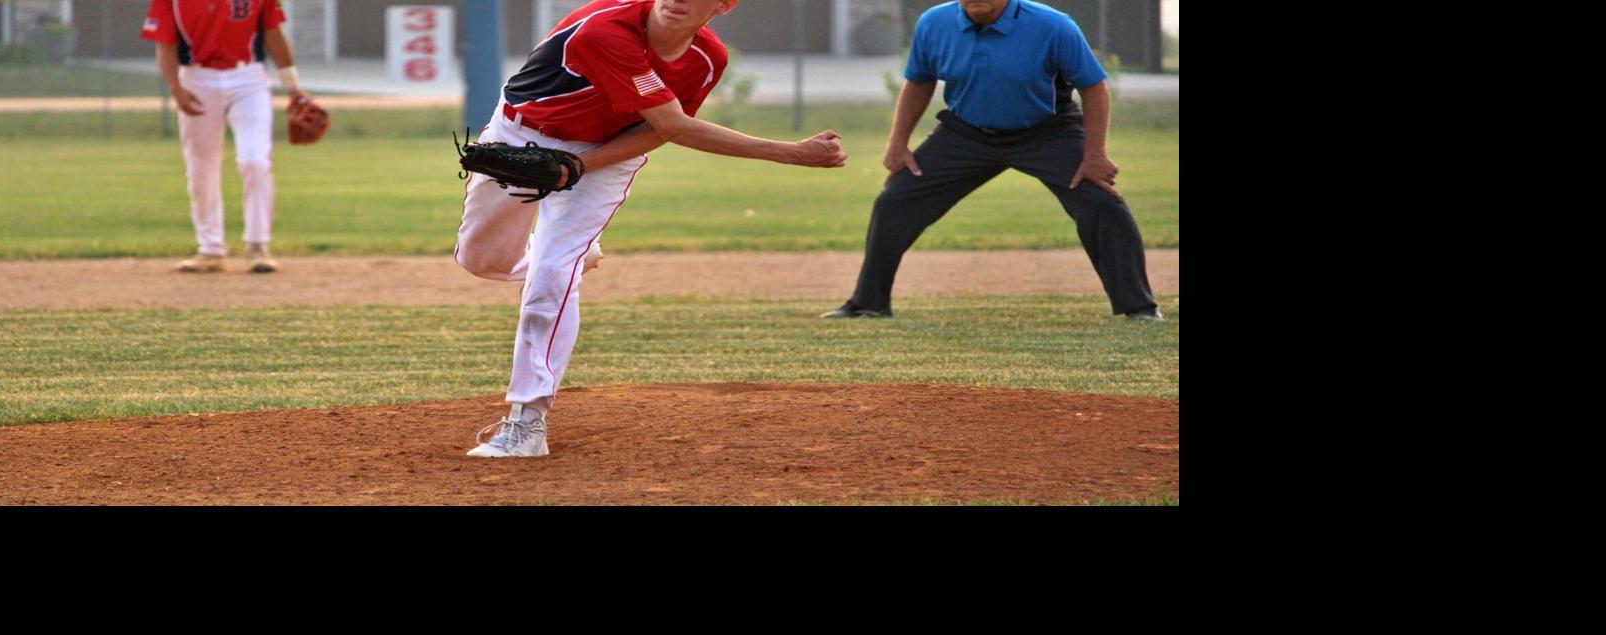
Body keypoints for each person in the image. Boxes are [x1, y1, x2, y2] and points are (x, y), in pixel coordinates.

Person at [455, 0, 847, 458]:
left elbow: (663, 128)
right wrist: (792, 152)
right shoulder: (604, 33)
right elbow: (676, 124)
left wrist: (578, 166)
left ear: (723, 5)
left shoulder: (708, 58)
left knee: (551, 276)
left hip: (606, 153)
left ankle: (527, 421)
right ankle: (577, 258)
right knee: (481, 260)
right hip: (522, 133)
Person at [825, 0, 1162, 322]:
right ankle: (868, 303)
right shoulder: (934, 23)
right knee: (895, 200)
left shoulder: (1053, 25)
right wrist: (897, 144)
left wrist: (1094, 154)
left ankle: (1139, 307)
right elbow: (919, 81)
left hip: (1047, 132)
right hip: (966, 134)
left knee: (1102, 202)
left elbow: (1094, 87)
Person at [141, 0, 307, 273]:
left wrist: (293, 89)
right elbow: (165, 44)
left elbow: (274, 35)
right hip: (196, 78)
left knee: (255, 160)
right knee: (201, 166)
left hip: (248, 78)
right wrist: (175, 88)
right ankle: (210, 250)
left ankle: (257, 246)